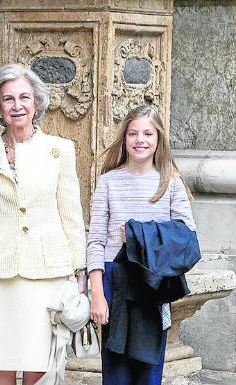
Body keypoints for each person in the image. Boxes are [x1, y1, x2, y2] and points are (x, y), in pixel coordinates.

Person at [0, 63, 87, 385]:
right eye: (8, 99)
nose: (17, 106)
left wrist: (80, 272)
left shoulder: (60, 150)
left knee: (39, 370)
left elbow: (71, 216)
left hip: (47, 274)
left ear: (38, 102)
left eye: (24, 97)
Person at [86, 105, 196, 385]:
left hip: (153, 281)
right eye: (133, 133)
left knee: (149, 371)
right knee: (116, 369)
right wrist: (97, 293)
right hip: (116, 278)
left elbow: (187, 237)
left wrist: (139, 235)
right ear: (124, 137)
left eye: (148, 133)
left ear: (158, 139)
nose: (140, 139)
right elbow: (96, 241)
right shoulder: (109, 181)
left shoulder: (170, 182)